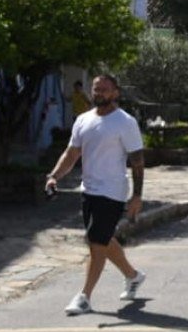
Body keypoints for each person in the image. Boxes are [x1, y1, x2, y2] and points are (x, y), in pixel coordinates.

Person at [45, 74, 146, 315]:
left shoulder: (125, 122)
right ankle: (133, 276)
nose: (99, 93)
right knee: (101, 239)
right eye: (96, 89)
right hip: (88, 189)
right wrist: (53, 176)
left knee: (96, 243)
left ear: (116, 93)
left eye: (104, 89)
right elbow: (71, 154)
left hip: (113, 192)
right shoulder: (83, 120)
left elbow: (138, 161)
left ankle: (84, 297)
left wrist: (137, 196)